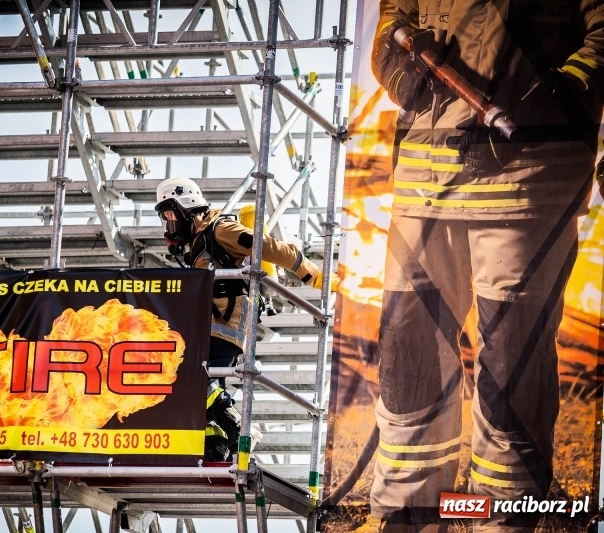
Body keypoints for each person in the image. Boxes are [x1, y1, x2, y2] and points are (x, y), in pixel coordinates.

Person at [357, 0, 604, 531]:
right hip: (426, 180)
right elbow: (393, 22)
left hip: (531, 180)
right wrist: (404, 73)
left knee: (513, 362)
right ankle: (408, 512)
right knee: (409, 351)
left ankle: (504, 516)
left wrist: (560, 89)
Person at [154, 177, 331, 461]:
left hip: (224, 326)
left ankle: (241, 429)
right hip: (205, 328)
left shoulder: (220, 229)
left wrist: (313, 274)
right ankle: (216, 445)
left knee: (191, 377)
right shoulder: (199, 243)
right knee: (203, 387)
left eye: (171, 215)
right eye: (165, 218)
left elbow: (268, 247)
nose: (169, 224)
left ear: (188, 208)